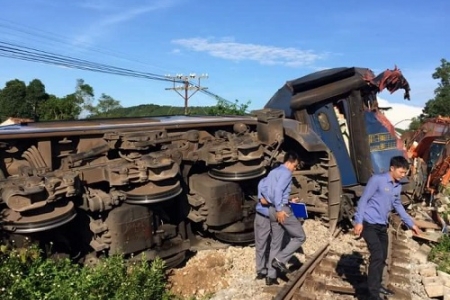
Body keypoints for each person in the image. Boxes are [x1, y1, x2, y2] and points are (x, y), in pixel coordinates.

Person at [353, 156, 421, 300]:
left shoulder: (397, 185)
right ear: (392, 169)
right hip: (368, 223)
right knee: (377, 255)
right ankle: (373, 295)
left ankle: (377, 285)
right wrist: (358, 221)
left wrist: (411, 224)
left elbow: (398, 205)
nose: (403, 175)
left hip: (382, 225)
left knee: (383, 256)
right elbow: (363, 199)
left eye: (405, 173)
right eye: (401, 172)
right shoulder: (377, 180)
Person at [265, 151, 307, 286]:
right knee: (300, 237)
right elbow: (278, 191)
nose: (294, 169)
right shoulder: (286, 173)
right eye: (295, 166)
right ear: (290, 161)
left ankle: (270, 277)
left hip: (271, 209)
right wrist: (280, 209)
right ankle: (280, 260)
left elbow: (271, 192)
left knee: (275, 243)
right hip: (281, 210)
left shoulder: (273, 172)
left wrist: (287, 200)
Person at [254, 177, 271, 280]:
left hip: (275, 217)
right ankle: (261, 270)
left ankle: (272, 270)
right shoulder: (264, 182)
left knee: (275, 244)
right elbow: (263, 201)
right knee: (261, 244)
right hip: (263, 217)